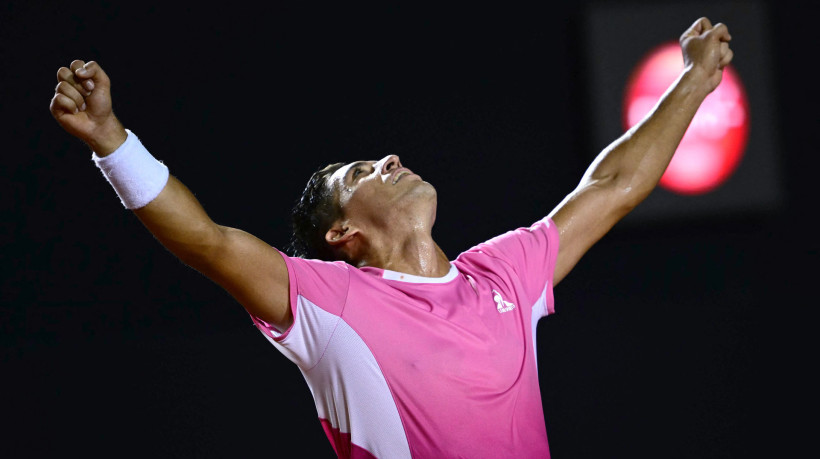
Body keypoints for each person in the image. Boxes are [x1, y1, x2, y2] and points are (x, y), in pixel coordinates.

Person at [49, 17, 733, 459]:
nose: (391, 161)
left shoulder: (500, 274)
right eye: (360, 171)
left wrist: (697, 80)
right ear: (341, 232)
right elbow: (206, 240)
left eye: (383, 158)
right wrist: (112, 141)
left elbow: (611, 186)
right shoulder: (327, 301)